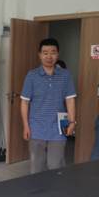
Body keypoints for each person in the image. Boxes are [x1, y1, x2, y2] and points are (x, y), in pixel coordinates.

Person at [21, 38, 76, 174]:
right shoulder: (31, 76)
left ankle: (57, 188)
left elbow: (70, 100)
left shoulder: (65, 75)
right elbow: (25, 102)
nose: (49, 56)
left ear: (58, 54)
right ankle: (38, 188)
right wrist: (26, 126)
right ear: (39, 55)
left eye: (52, 52)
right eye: (45, 53)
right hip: (36, 127)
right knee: (37, 166)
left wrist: (72, 122)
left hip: (59, 128)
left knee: (56, 166)